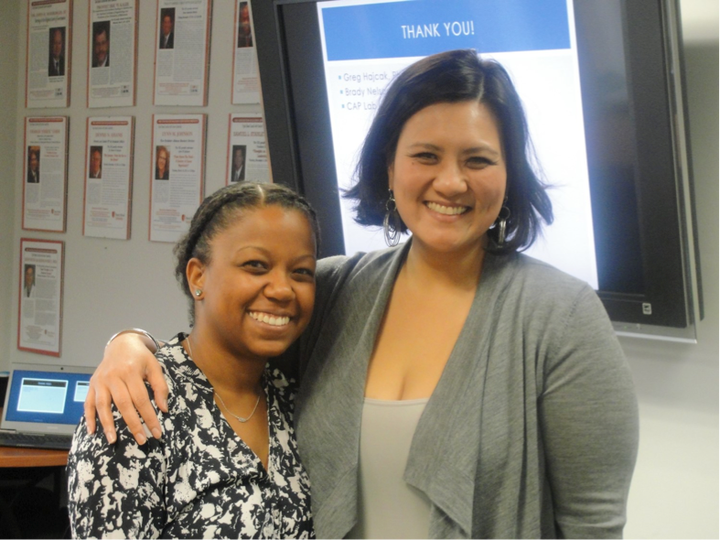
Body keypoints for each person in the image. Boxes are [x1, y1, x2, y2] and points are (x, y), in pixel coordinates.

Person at [86, 50, 639, 539]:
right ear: (389, 167)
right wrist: (130, 343)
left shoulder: (562, 318)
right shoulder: (333, 291)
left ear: (509, 173)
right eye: (426, 156)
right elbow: (222, 341)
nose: (451, 182)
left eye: (478, 159)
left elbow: (593, 526)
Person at [68, 182, 318, 538]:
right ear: (198, 276)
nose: (281, 289)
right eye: (256, 265)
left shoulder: (297, 401)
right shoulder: (134, 404)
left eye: (301, 272)